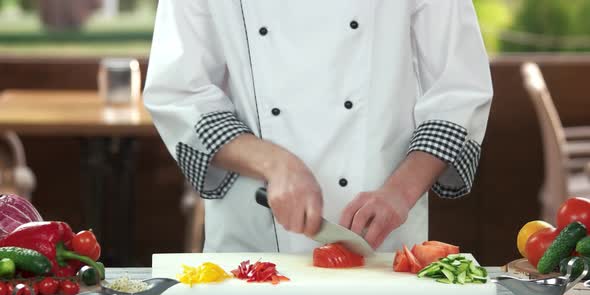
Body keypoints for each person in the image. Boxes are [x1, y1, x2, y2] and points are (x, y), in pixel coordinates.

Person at [143, 0, 493, 253]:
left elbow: (458, 91)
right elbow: (181, 94)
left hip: (381, 237)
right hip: (256, 241)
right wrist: (276, 164)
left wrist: (400, 193)